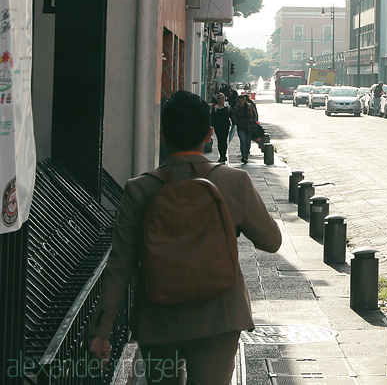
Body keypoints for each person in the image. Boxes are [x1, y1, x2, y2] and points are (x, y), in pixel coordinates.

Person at [88, 91, 282, 384]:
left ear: (163, 136)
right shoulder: (234, 181)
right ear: (208, 134)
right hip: (220, 317)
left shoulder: (139, 189)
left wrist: (101, 331)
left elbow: (120, 265)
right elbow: (271, 241)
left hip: (158, 320)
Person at [231, 92, 259, 164]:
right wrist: (238, 123)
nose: (240, 103)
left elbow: (255, 115)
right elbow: (233, 117)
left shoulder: (250, 107)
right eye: (239, 101)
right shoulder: (236, 109)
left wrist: (254, 122)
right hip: (241, 128)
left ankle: (246, 152)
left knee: (248, 142)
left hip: (249, 127)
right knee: (243, 141)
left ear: (244, 101)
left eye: (242, 101)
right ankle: (244, 156)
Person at [210, 93, 233, 164]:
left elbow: (232, 116)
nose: (221, 100)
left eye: (222, 98)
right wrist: (212, 125)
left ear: (224, 99)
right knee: (220, 140)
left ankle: (224, 154)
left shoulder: (228, 108)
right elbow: (212, 118)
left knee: (224, 140)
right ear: (217, 100)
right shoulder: (215, 109)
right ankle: (221, 155)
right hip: (217, 127)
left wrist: (234, 123)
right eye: (219, 99)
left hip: (225, 126)